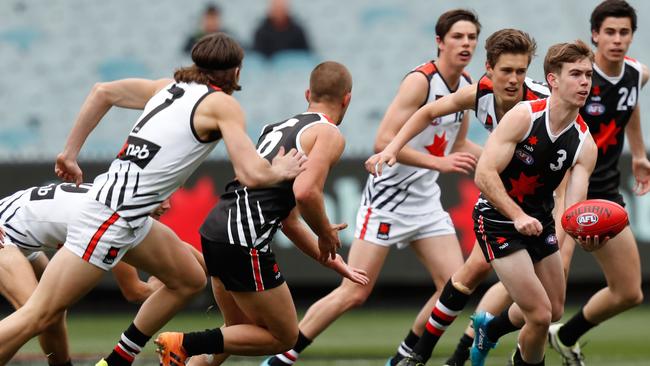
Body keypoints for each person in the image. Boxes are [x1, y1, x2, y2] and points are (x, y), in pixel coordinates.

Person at [0, 32, 306, 366]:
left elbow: (102, 92)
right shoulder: (222, 105)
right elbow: (251, 174)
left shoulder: (168, 88)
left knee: (188, 278)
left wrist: (70, 153)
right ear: (236, 71)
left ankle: (118, 359)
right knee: (39, 316)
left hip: (124, 214)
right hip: (111, 219)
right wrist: (281, 170)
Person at [262, 9, 481, 366]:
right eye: (458, 37)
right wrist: (438, 163)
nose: (466, 44)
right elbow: (383, 140)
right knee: (354, 291)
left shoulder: (467, 84)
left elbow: (459, 145)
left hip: (426, 201)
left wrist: (506, 159)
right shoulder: (421, 82)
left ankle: (406, 356)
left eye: (472, 37)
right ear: (440, 42)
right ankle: (282, 358)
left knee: (454, 286)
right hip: (387, 200)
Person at [154, 61, 369, 365]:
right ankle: (184, 342)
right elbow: (306, 192)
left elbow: (289, 219)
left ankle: (185, 353)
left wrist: (335, 264)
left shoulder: (277, 128)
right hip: (244, 239)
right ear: (347, 98)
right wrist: (324, 232)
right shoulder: (329, 134)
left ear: (308, 93)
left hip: (216, 228)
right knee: (284, 336)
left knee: (234, 336)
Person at [366, 28, 549, 366]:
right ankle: (432, 353)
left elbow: (572, 147)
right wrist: (392, 149)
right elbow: (427, 113)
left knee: (533, 297)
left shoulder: (542, 102)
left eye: (520, 71)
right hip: (508, 200)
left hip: (542, 201)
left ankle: (469, 340)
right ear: (489, 68)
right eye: (506, 71)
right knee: (516, 294)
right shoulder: (479, 92)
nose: (513, 80)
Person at [466, 40, 597, 366]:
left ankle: (491, 329)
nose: (585, 82)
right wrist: (516, 214)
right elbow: (483, 174)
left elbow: (573, 211)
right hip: (497, 219)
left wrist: (584, 238)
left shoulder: (584, 143)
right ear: (552, 79)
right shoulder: (524, 116)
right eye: (576, 74)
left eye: (588, 75)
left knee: (553, 310)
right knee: (539, 316)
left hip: (539, 222)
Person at [548, 1, 649, 365]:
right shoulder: (579, 78)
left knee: (629, 292)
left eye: (625, 32)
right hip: (565, 190)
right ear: (595, 35)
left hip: (604, 195)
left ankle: (565, 337)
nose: (617, 39)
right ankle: (487, 339)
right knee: (549, 285)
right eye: (610, 32)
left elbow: (632, 103)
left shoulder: (638, 73)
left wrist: (638, 153)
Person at [0, 183, 190, 365]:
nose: (167, 205)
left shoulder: (121, 202)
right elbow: (135, 291)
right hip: (6, 234)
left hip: (17, 232)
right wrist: (165, 287)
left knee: (50, 314)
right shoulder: (116, 220)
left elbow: (193, 268)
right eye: (161, 196)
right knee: (36, 316)